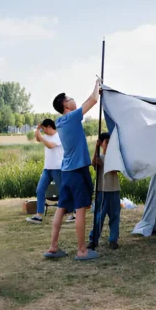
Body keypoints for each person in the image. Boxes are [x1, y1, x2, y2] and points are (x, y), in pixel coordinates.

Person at [44, 78, 101, 261]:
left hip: (66, 172)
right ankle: (82, 250)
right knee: (80, 209)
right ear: (65, 106)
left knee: (61, 208)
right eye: (70, 99)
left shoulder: (59, 122)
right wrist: (98, 84)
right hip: (77, 171)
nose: (73, 100)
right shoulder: (72, 116)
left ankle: (53, 247)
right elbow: (92, 100)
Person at [26, 119, 75, 224]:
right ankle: (39, 215)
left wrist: (42, 138)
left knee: (63, 191)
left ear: (49, 127)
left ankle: (71, 213)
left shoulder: (59, 136)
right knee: (40, 189)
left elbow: (50, 145)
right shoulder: (46, 136)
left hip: (58, 168)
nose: (43, 132)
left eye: (44, 129)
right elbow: (38, 138)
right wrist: (38, 129)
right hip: (47, 168)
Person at [88, 132, 121, 250]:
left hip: (114, 190)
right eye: (106, 142)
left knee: (115, 216)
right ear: (101, 144)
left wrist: (106, 163)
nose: (108, 145)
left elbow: (115, 170)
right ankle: (93, 239)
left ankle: (113, 239)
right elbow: (94, 163)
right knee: (99, 217)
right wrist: (96, 147)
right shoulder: (99, 158)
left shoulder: (115, 158)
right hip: (102, 190)